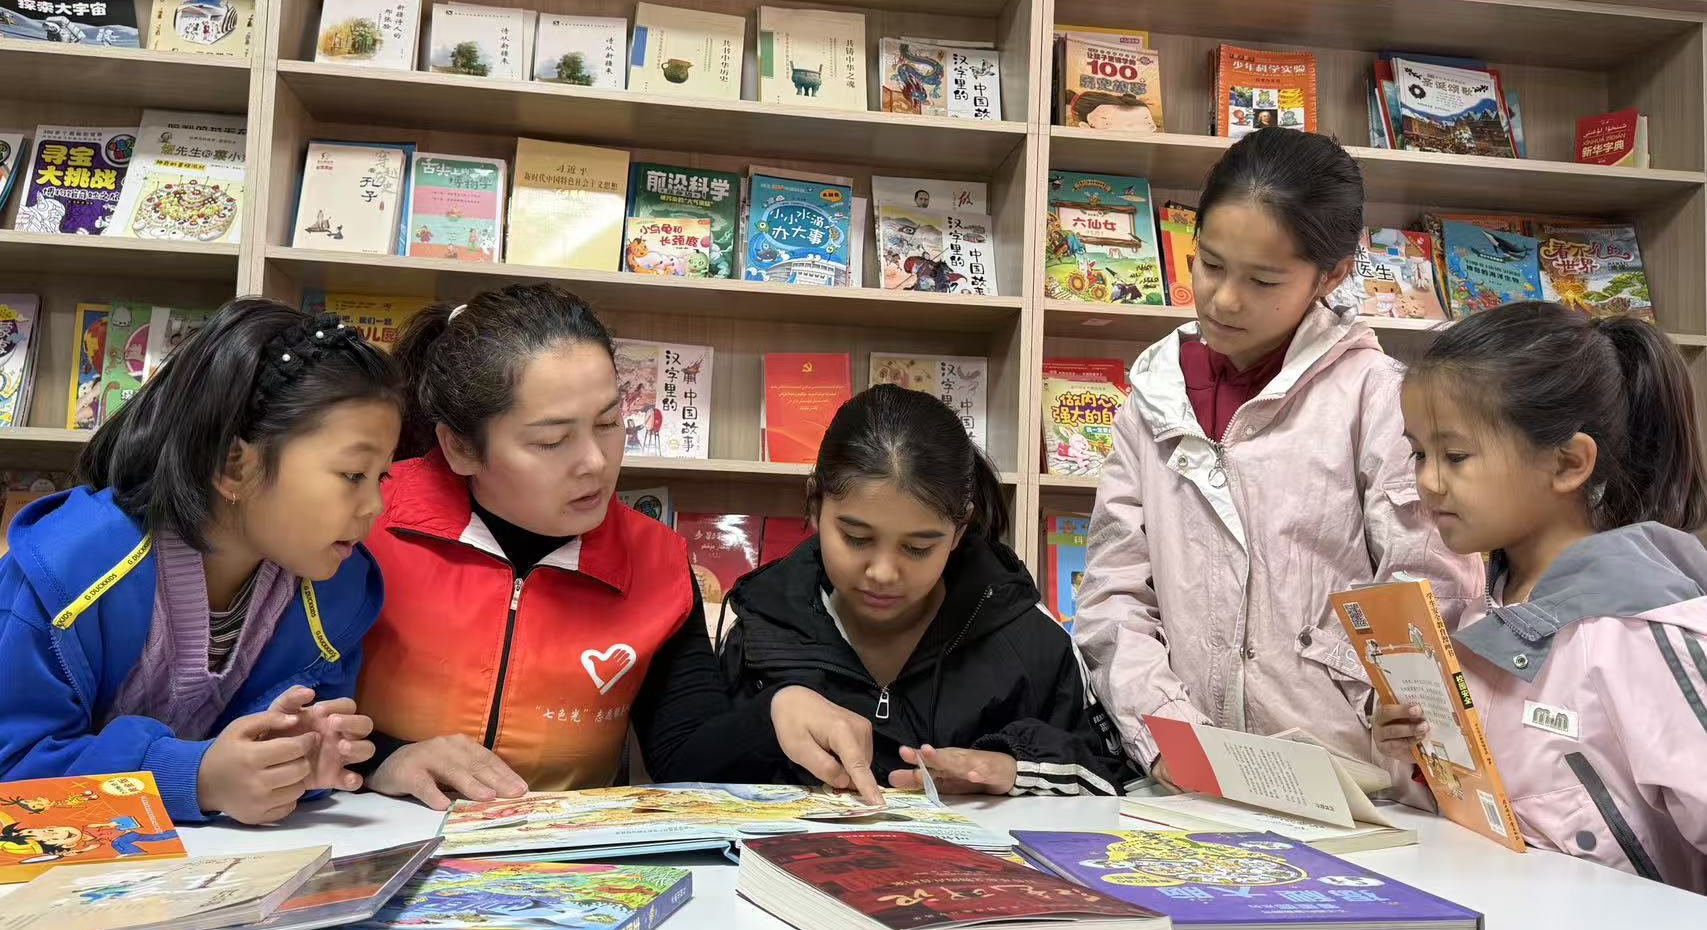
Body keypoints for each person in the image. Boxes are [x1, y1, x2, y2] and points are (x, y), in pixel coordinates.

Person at [1073, 127, 1481, 780]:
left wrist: (1376, 706)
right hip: (1192, 779)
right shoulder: (1152, 398)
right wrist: (1170, 738)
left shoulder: (1378, 399)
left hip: (1353, 779)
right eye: (1209, 264)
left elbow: (1426, 585)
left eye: (1263, 280)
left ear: (1333, 274)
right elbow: (1113, 597)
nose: (1224, 299)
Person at [0, 302, 400, 825]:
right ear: (233, 465)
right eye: (353, 475)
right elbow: (14, 770)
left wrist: (299, 762)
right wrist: (194, 777)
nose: (375, 506)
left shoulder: (338, 593)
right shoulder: (69, 571)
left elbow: (269, 772)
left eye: (382, 477)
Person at [357, 283, 748, 810]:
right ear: (461, 448)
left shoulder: (659, 560)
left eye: (609, 423)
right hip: (374, 831)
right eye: (552, 441)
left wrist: (776, 716)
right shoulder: (363, 523)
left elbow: (687, 754)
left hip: (559, 850)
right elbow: (278, 711)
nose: (596, 462)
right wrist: (383, 759)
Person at [1378, 302, 1707, 891]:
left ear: (1568, 463)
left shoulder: (1636, 631)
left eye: (1455, 456)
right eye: (1419, 454)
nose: (1428, 481)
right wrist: (1417, 756)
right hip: (1503, 924)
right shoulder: (1482, 611)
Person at [716, 385, 1134, 800]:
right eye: (856, 538)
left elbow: (1117, 783)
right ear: (814, 505)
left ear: (959, 531)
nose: (883, 573)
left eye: (918, 548)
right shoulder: (759, 630)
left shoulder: (1029, 641)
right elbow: (696, 776)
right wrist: (766, 717)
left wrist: (1018, 769)